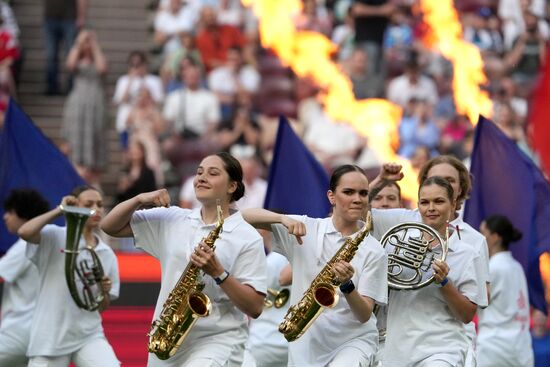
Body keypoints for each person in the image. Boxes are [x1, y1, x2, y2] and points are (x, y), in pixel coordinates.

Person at [101, 152, 267, 367]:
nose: (202, 177)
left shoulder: (247, 236)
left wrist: (219, 273)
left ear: (232, 187)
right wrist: (139, 199)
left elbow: (255, 306)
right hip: (167, 339)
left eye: (213, 173)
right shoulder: (174, 218)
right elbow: (109, 226)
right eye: (199, 172)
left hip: (218, 342)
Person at [242, 164, 388, 366]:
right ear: (331, 197)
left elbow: (364, 315)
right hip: (306, 341)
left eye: (363, 193)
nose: (357, 199)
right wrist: (281, 218)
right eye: (348, 192)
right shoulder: (306, 227)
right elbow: (243, 217)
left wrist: (347, 286)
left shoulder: (374, 250)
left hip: (354, 342)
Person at [372, 155, 491, 367]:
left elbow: (470, 311)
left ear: (455, 198)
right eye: (425, 202)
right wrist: (380, 181)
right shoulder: (401, 225)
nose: (431, 207)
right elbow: (355, 212)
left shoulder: (470, 246)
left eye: (439, 200)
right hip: (397, 348)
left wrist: (445, 283)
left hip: (444, 347)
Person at [17, 186, 120, 367]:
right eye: (89, 204)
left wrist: (103, 292)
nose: (96, 208)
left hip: (89, 335)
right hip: (50, 337)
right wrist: (60, 210)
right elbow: (24, 232)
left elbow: (101, 307)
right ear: (75, 206)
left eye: (100, 204)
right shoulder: (53, 235)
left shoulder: (107, 253)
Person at [0, 189, 49, 367]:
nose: (5, 217)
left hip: (17, 332)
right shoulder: (46, 242)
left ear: (23, 214)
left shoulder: (24, 246)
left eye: (10, 212)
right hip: (41, 334)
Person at [477, 215, 534, 367]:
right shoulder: (516, 266)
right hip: (521, 349)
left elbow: (471, 303)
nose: (479, 239)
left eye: (483, 233)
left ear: (495, 237)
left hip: (494, 350)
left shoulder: (492, 268)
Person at [62, 29, 108, 185]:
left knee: (95, 136)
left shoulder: (97, 58)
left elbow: (102, 68)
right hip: (78, 102)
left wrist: (94, 44)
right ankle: (77, 178)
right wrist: (79, 41)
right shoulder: (78, 58)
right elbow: (70, 65)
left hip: (95, 102)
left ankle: (94, 180)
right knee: (76, 137)